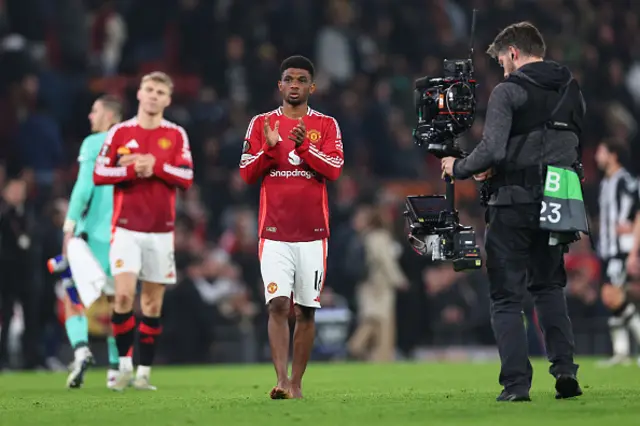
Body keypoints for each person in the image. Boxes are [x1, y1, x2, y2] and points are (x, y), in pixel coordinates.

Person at [441, 21, 584, 401]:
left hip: (513, 201)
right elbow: (573, 141)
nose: (502, 67)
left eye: (503, 59)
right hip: (560, 196)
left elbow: (492, 150)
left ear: (514, 53)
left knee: (506, 296)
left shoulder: (509, 90)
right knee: (550, 286)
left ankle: (517, 385)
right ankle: (565, 370)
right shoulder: (571, 88)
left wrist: (458, 167)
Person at [239, 55, 344, 399]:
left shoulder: (326, 124)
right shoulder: (261, 123)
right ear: (280, 85)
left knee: (307, 309)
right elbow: (246, 173)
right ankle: (281, 380)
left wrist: (304, 146)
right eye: (289, 79)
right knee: (278, 305)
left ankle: (297, 383)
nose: (295, 84)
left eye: (302, 79)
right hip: (273, 233)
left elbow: (333, 169)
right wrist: (270, 150)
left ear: (312, 86)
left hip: (313, 233)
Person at [93, 71, 193, 391]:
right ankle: (123, 366)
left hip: (161, 231)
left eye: (159, 92)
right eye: (148, 89)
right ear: (138, 93)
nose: (153, 96)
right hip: (125, 228)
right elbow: (99, 172)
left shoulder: (176, 135)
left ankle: (144, 373)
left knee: (151, 305)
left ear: (167, 100)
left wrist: (157, 167)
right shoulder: (120, 132)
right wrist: (131, 169)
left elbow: (186, 176)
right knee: (123, 295)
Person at [60, 95, 124, 388]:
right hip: (124, 236)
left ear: (110, 116)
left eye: (95, 110)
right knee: (117, 303)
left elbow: (84, 186)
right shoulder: (134, 144)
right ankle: (115, 369)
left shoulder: (94, 143)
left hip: (92, 238)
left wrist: (68, 226)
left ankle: (81, 349)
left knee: (71, 293)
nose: (90, 115)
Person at [594, 139, 640, 366]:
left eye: (601, 151)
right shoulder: (605, 183)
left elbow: (638, 213)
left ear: (613, 155)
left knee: (612, 296)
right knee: (612, 298)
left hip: (621, 249)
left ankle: (623, 350)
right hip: (607, 249)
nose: (597, 156)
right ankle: (621, 352)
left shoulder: (625, 180)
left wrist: (633, 251)